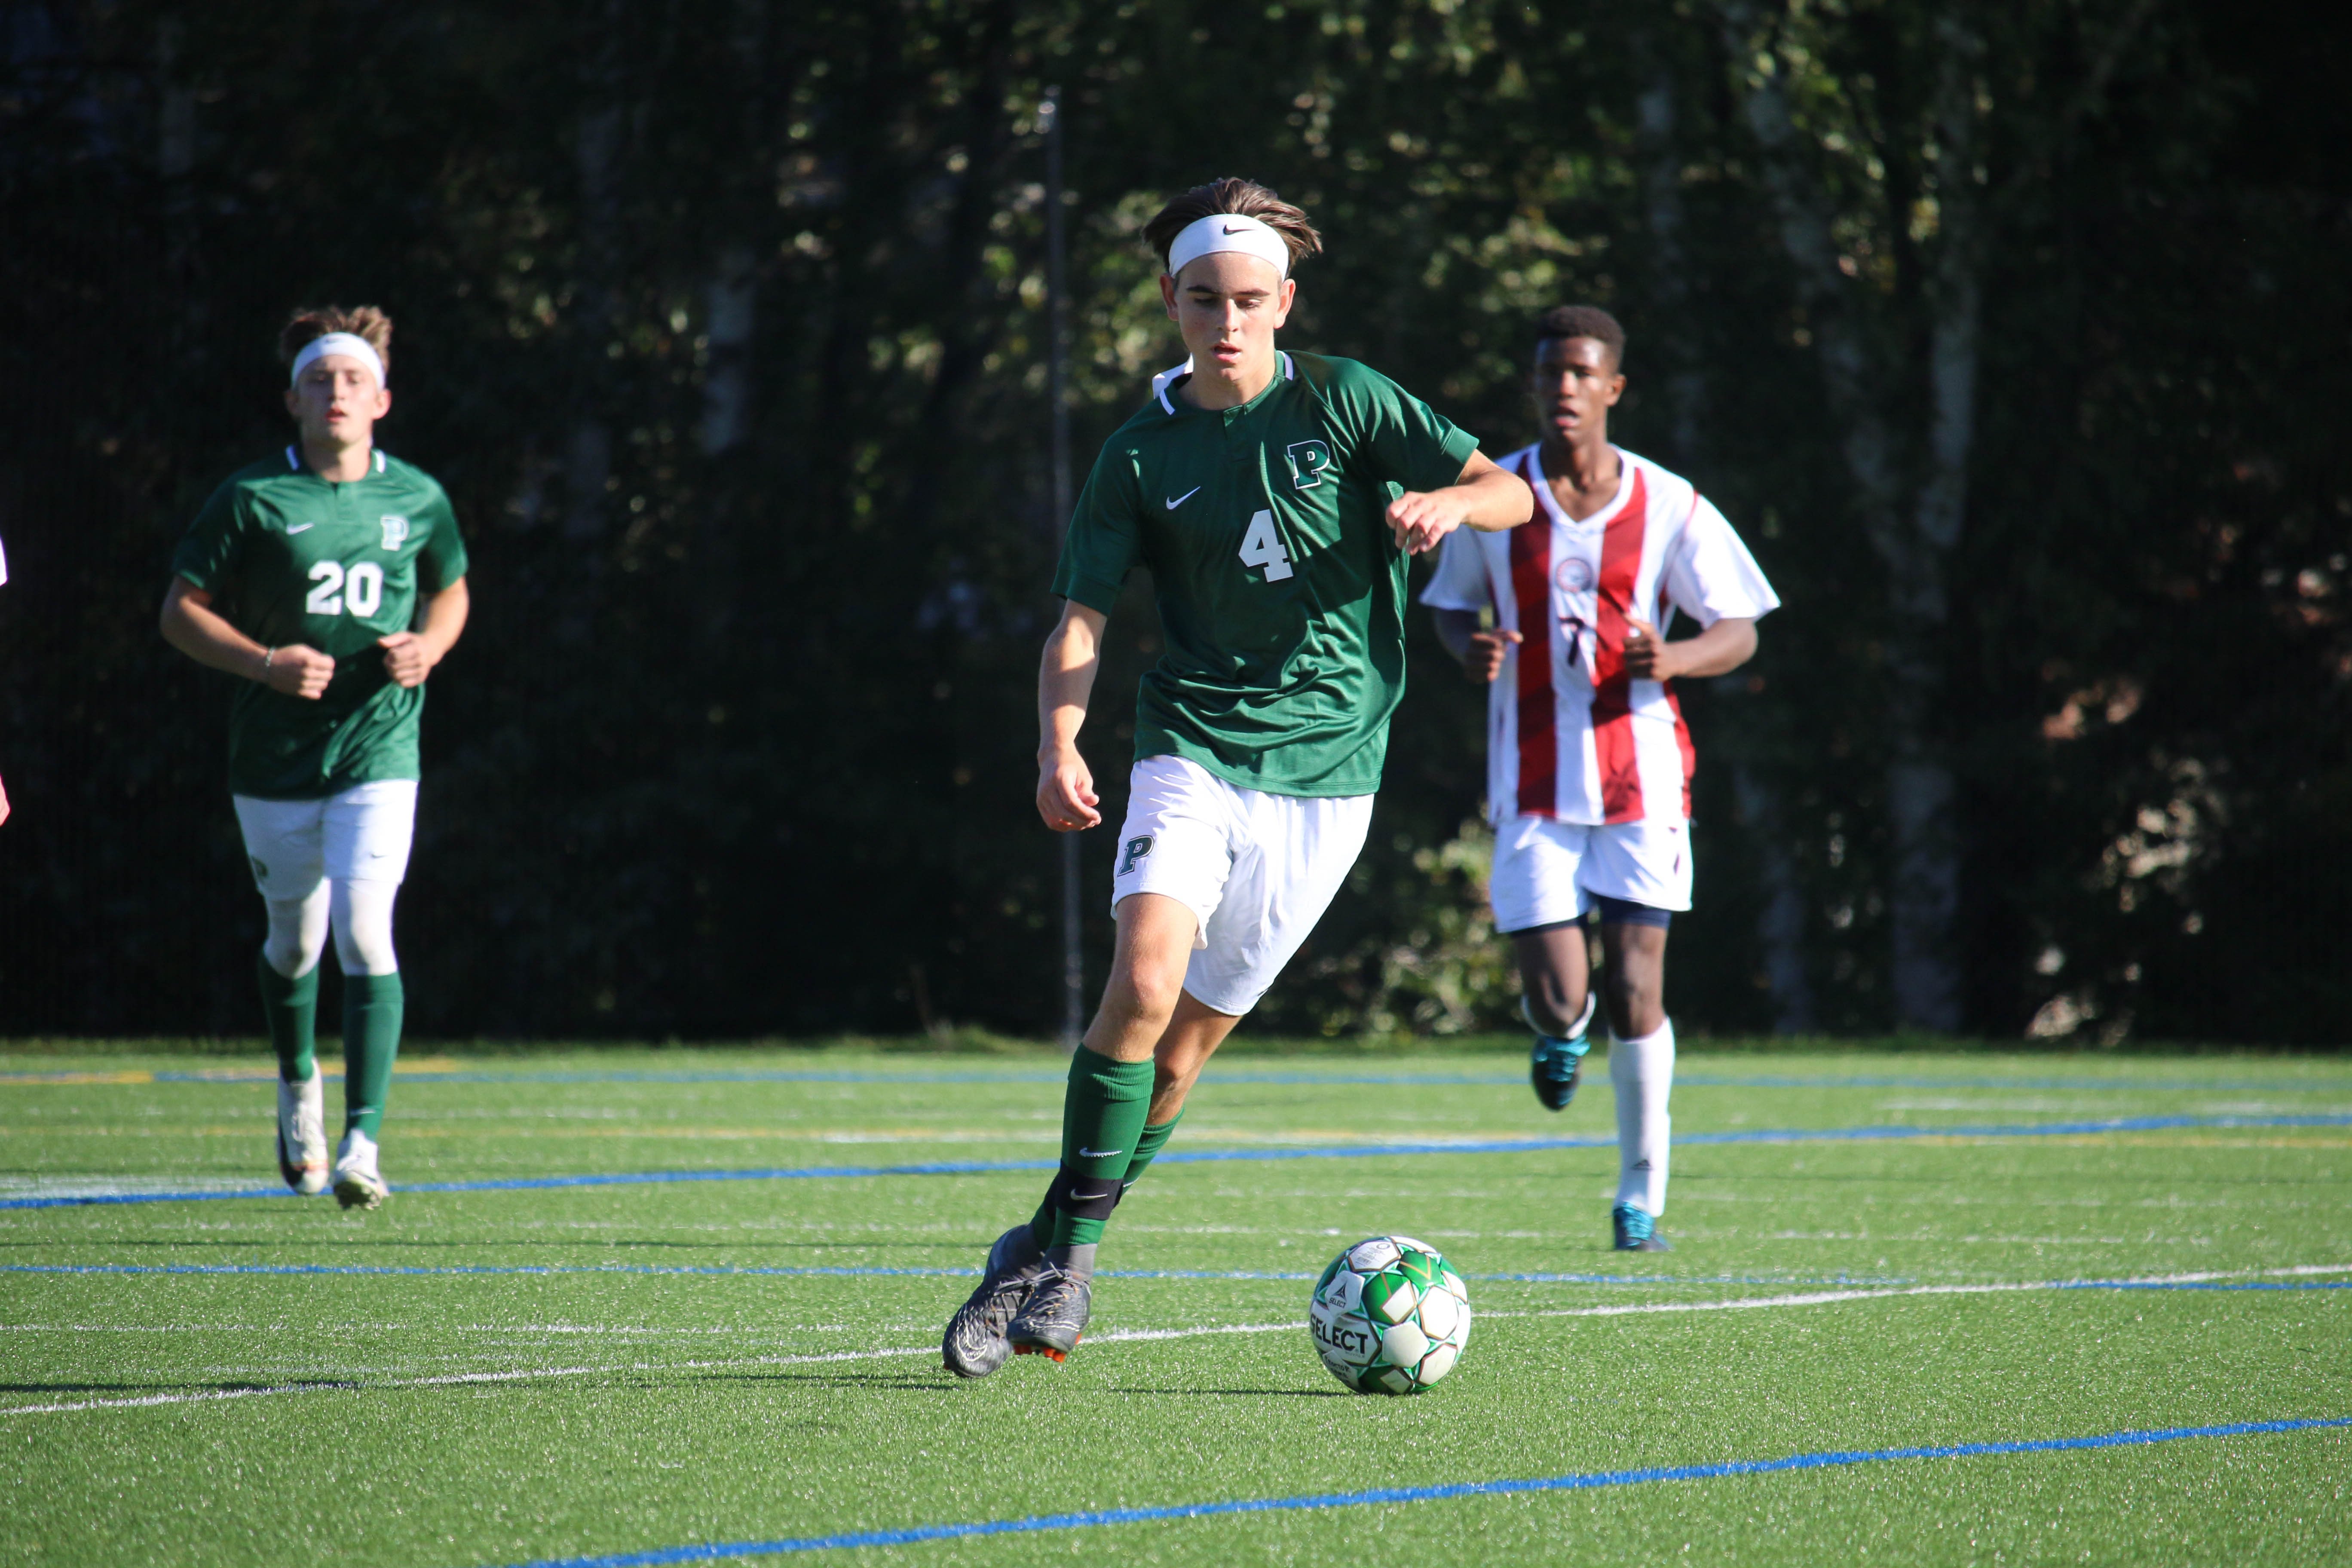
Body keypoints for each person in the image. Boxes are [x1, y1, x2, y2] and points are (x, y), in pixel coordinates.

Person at [942, 178, 1532, 1375]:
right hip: (1193, 749)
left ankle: (1049, 1244)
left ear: (1285, 302)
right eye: (1204, 299)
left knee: (1184, 1055)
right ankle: (1070, 1265)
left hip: (1331, 778)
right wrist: (1060, 741)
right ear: (1170, 300)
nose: (1227, 321)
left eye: (1250, 301)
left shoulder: (1348, 400)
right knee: (1145, 982)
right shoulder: (1140, 457)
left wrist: (1449, 504)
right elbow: (1080, 622)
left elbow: (1513, 491)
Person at [1420, 305, 1778, 1253]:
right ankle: (1555, 1031)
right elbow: (1448, 607)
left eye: (1583, 373)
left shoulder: (1669, 502)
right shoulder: (1495, 496)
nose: (1566, 388)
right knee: (1559, 996)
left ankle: (1639, 1199)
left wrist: (1682, 658)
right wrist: (1471, 647)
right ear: (1535, 386)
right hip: (1531, 783)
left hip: (1643, 783)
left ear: (1614, 388)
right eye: (1551, 373)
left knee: (1635, 991)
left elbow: (1739, 625)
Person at [159, 306, 470, 1211]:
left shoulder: (416, 497)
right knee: (294, 941)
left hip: (381, 748)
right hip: (274, 754)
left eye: (352, 379)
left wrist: (431, 648)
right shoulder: (253, 497)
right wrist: (263, 662)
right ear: (292, 398)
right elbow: (180, 612)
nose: (336, 392)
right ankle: (299, 1085)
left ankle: (364, 1142)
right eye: (319, 379)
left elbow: (449, 591)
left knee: (364, 931)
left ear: (383, 399)